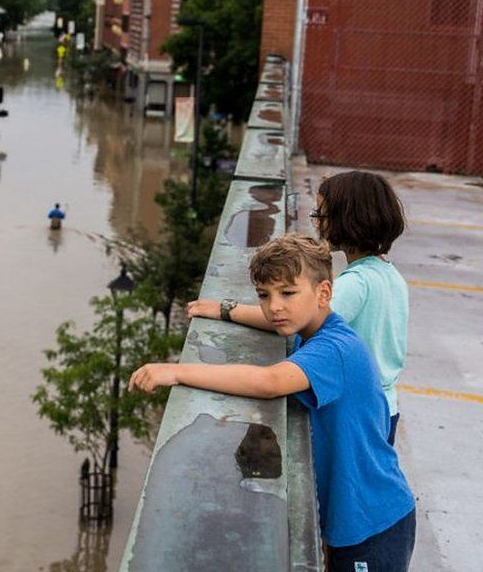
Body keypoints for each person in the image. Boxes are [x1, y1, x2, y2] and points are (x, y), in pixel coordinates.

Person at [131, 234, 416, 571]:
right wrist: (225, 310)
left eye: (288, 293)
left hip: (373, 524)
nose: (274, 306)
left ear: (324, 292)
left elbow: (270, 382)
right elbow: (274, 320)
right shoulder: (313, 329)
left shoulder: (334, 349)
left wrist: (176, 372)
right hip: (354, 516)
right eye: (264, 295)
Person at [187, 171, 408, 445]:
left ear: (347, 220)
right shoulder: (388, 274)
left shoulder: (357, 283)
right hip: (385, 404)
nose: (316, 223)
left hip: (362, 413)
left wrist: (227, 310)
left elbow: (293, 318)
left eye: (322, 215)